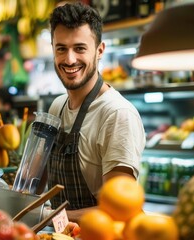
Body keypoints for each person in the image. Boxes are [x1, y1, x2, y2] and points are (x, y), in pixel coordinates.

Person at [44, 2, 146, 222]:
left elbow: (120, 211)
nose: (69, 59)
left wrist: (51, 217)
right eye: (61, 48)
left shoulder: (117, 114)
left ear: (100, 51)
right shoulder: (57, 107)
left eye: (80, 48)